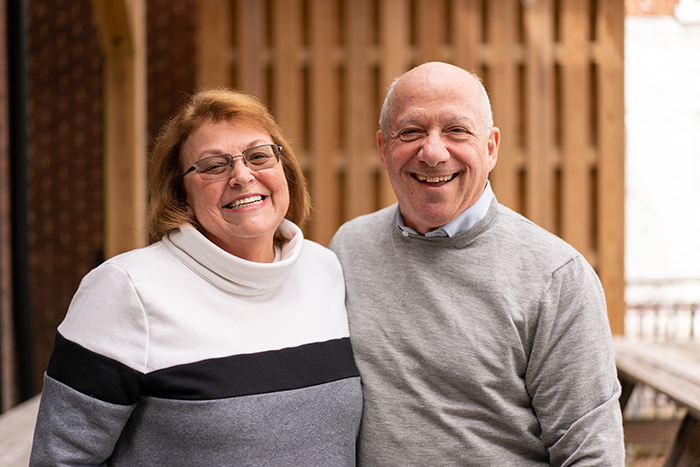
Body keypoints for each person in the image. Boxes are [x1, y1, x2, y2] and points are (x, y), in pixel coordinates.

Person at [30, 89, 362, 466]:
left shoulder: (324, 270)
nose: (241, 175)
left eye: (258, 156)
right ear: (181, 194)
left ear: (284, 170)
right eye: (213, 166)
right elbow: (60, 459)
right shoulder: (126, 289)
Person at [329, 62, 625, 465]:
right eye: (411, 131)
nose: (432, 152)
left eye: (456, 130)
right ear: (384, 148)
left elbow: (591, 454)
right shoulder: (350, 248)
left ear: (491, 148)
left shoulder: (555, 278)